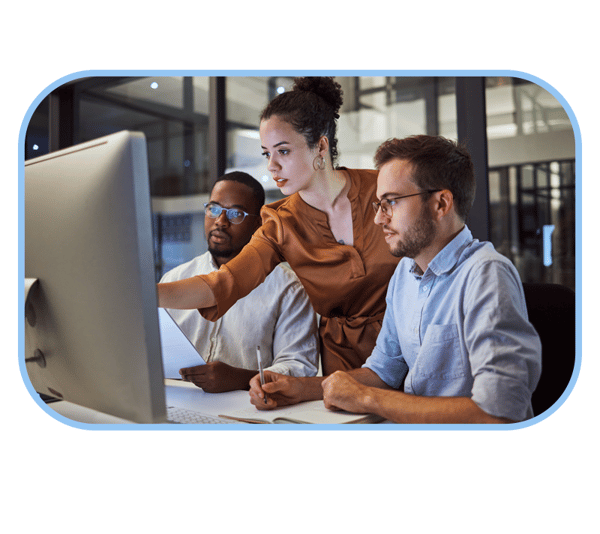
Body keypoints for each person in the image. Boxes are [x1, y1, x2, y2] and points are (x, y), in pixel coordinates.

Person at [249, 135, 542, 423]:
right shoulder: (405, 272)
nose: (379, 219)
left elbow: (499, 414)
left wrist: (367, 399)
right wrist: (299, 389)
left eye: (391, 202)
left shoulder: (486, 275)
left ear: (441, 204)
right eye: (378, 204)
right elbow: (383, 371)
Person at [157, 77, 400, 374]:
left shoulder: (383, 188)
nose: (271, 166)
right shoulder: (280, 223)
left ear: (320, 146)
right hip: (345, 363)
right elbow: (224, 283)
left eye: (283, 151)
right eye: (266, 153)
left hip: (411, 343)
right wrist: (147, 293)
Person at [161, 171, 319, 393]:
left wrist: (241, 379)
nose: (220, 221)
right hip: (177, 399)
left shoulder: (288, 288)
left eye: (236, 214)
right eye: (214, 209)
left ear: (258, 223)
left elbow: (300, 367)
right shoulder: (176, 278)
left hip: (248, 409)